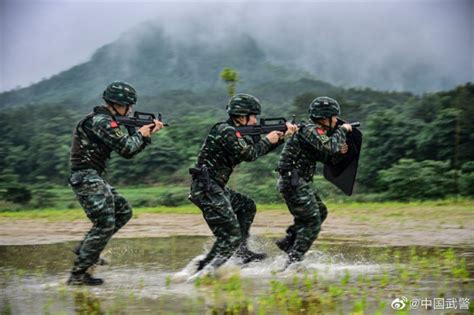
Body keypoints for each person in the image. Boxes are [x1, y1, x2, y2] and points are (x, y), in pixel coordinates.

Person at [188, 93, 297, 275]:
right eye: (253, 116)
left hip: (215, 187)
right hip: (207, 188)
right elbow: (250, 154)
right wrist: (269, 139)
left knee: (246, 206)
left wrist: (281, 137)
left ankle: (241, 251)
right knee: (230, 237)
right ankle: (204, 272)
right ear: (240, 116)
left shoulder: (234, 132)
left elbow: (254, 150)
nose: (255, 121)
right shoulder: (226, 131)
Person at [67, 81, 163, 285]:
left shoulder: (105, 120)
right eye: (129, 106)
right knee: (104, 223)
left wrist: (142, 134)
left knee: (123, 211)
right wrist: (142, 134)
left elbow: (128, 147)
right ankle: (78, 275)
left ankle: (86, 249)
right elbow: (127, 149)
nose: (131, 110)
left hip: (92, 176)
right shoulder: (101, 121)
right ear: (119, 104)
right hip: (86, 176)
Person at [276, 96, 352, 268]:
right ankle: (293, 262)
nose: (336, 121)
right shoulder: (311, 130)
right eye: (334, 117)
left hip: (296, 181)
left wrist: (339, 152)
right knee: (312, 223)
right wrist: (343, 130)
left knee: (321, 211)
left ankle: (290, 241)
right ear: (325, 118)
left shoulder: (313, 133)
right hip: (293, 181)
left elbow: (325, 156)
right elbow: (330, 146)